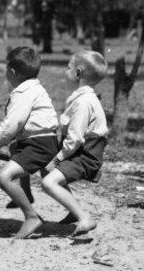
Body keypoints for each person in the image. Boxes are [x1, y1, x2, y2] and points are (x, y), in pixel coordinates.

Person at [0, 46, 59, 238]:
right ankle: (27, 193)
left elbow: (13, 124)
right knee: (14, 149)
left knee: (3, 177)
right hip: (44, 140)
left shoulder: (22, 94)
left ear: (12, 72)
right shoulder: (36, 87)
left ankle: (31, 217)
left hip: (38, 144)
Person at [41, 51, 108, 236]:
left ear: (78, 73)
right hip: (79, 150)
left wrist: (57, 159)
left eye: (68, 67)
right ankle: (72, 211)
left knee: (48, 183)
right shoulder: (81, 98)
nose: (65, 71)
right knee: (43, 165)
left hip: (85, 155)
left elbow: (75, 139)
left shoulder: (84, 102)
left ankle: (84, 217)